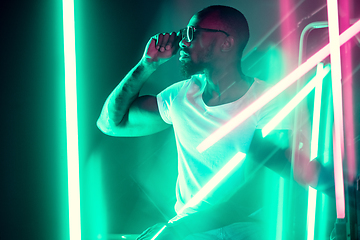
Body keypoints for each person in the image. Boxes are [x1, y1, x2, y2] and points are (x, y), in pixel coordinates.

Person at [97, 5, 329, 240]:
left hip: (245, 231)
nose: (183, 43)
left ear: (226, 43)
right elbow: (110, 123)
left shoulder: (271, 102)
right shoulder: (180, 97)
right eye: (182, 34)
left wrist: (180, 227)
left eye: (192, 33)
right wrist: (147, 64)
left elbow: (267, 187)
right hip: (188, 230)